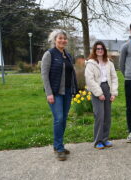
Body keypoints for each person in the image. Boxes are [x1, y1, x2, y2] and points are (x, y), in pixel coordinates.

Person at [41, 29, 78, 161]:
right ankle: (58, 148)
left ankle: (59, 145)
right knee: (59, 119)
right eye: (60, 38)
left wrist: (75, 89)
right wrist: (49, 93)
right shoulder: (49, 54)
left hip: (67, 92)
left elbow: (72, 74)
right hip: (55, 93)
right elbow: (44, 75)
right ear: (54, 40)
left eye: (64, 38)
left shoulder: (67, 55)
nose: (63, 40)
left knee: (63, 119)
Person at [85, 41, 118, 150]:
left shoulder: (109, 63)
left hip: (107, 88)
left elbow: (114, 78)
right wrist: (99, 94)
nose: (100, 50)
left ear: (104, 50)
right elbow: (90, 80)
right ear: (94, 50)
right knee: (100, 116)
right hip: (96, 90)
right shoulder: (90, 64)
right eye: (98, 49)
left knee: (107, 116)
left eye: (102, 49)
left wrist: (113, 93)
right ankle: (98, 141)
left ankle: (105, 139)